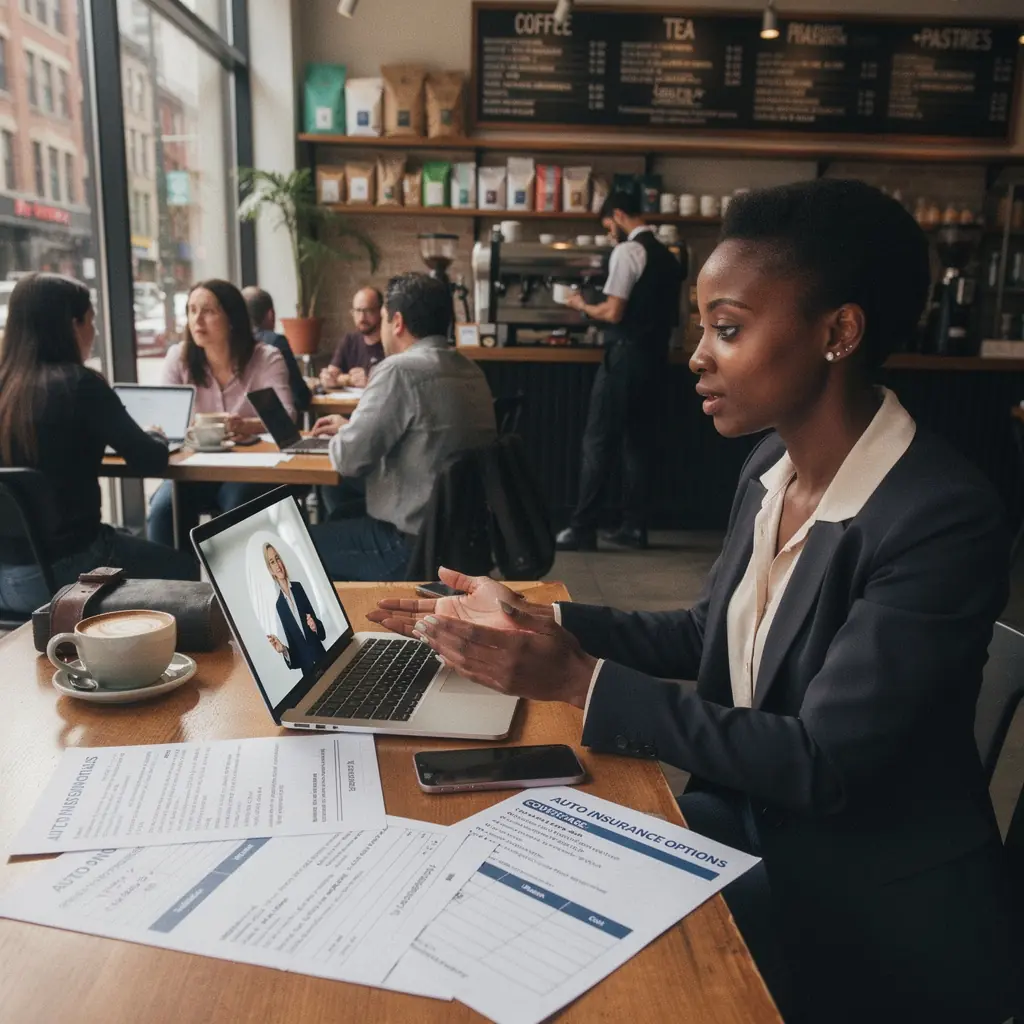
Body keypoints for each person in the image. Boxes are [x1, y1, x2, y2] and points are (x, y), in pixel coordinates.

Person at [367, 181, 1024, 1023]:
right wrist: (541, 621)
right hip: (744, 834)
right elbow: (712, 633)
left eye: (729, 328)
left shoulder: (939, 516)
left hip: (870, 910)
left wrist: (580, 682)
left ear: (838, 333)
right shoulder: (769, 471)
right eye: (702, 328)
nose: (697, 356)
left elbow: (821, 763)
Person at [0, 273, 196, 612]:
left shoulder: (7, 388)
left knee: (123, 536)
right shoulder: (80, 386)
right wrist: (156, 434)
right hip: (70, 572)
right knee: (196, 573)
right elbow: (149, 460)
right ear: (73, 325)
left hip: (5, 577)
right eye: (91, 321)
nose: (94, 332)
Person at [309, 273, 495, 581]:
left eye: (381, 318)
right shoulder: (470, 370)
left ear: (397, 322)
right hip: (462, 543)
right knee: (342, 513)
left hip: (407, 547)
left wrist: (347, 430)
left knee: (289, 547)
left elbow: (346, 460)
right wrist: (350, 425)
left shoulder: (398, 371)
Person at [556, 189, 684, 552]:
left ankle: (582, 528)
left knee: (598, 442)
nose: (609, 230)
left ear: (618, 214)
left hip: (625, 358)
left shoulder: (628, 251)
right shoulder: (669, 257)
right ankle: (634, 528)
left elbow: (613, 312)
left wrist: (582, 305)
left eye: (608, 223)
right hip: (655, 359)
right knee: (638, 445)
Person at [148, 279, 295, 547]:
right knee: (162, 512)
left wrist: (247, 426)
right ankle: (177, 587)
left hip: (247, 472)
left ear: (232, 318)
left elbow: (287, 416)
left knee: (239, 507)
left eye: (208, 311)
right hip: (193, 472)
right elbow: (166, 422)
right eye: (192, 310)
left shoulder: (266, 358)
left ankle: (238, 586)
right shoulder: (178, 358)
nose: (197, 320)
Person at [242, 286, 312, 414]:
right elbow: (301, 396)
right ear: (271, 314)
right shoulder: (275, 342)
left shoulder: (232, 343)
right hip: (277, 424)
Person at [262, 542, 326, 677]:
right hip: (309, 674)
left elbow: (321, 632)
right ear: (270, 570)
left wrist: (315, 626)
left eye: (277, 558)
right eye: (272, 562)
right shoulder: (279, 606)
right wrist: (284, 650)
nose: (277, 565)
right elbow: (296, 658)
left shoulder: (298, 588)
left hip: (324, 661)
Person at [318, 286, 385, 390]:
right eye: (358, 311)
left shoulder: (390, 344)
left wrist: (372, 381)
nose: (362, 317)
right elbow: (332, 375)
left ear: (381, 312)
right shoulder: (349, 340)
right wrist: (330, 378)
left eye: (368, 311)